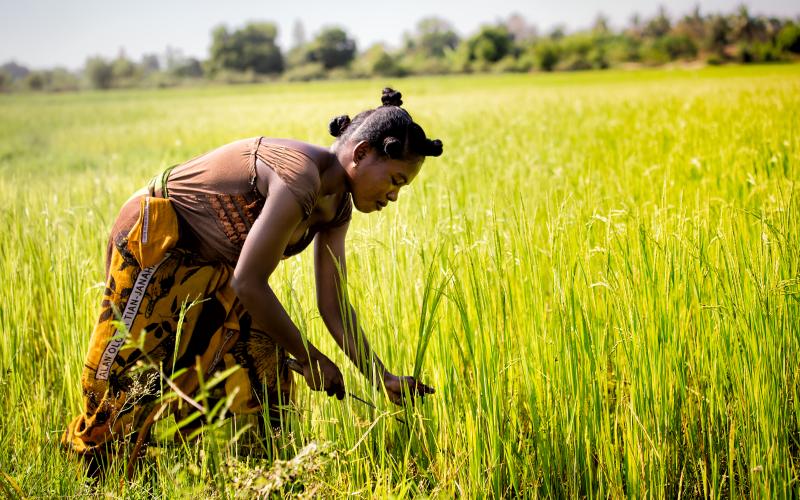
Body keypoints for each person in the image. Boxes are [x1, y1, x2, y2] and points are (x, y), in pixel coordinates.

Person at [63, 88, 442, 468]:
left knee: (264, 367)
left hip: (217, 267)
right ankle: (99, 475)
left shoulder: (338, 206)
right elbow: (249, 282)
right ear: (360, 154)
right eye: (394, 180)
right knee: (125, 383)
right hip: (158, 242)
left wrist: (381, 376)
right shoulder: (298, 177)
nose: (393, 196)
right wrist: (310, 357)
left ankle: (264, 476)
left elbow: (334, 305)